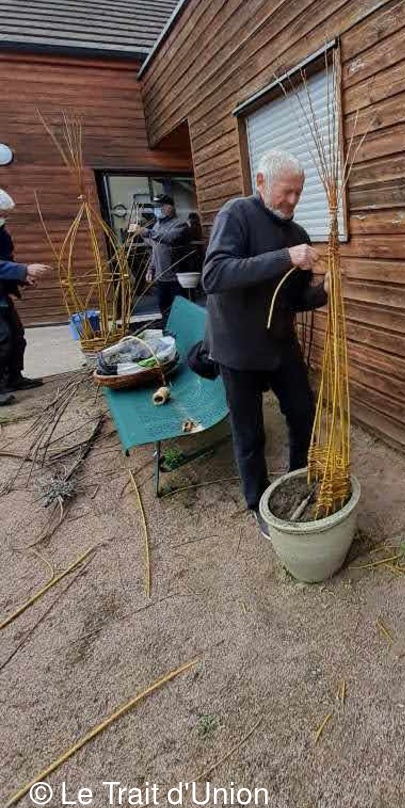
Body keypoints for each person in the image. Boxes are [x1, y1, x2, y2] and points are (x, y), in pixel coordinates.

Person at [202, 150, 329, 537]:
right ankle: (257, 502)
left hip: (279, 342)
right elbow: (214, 274)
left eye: (298, 192)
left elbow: (294, 299)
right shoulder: (237, 214)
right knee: (250, 431)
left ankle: (297, 480)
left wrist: (322, 288)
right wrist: (284, 257)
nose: (293, 200)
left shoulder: (298, 234)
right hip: (237, 344)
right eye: (286, 191)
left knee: (303, 412)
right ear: (261, 182)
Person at [0, 189, 51, 404]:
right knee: (1, 338)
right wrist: (23, 270)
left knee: (16, 335)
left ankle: (14, 377)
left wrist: (22, 278)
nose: (4, 218)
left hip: (2, 295)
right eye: (2, 213)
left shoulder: (2, 233)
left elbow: (6, 261)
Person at [129, 194, 191, 327]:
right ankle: (169, 331)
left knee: (182, 311)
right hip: (161, 278)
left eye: (161, 206)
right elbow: (155, 249)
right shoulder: (157, 225)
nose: (159, 209)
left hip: (176, 279)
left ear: (170, 207)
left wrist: (146, 232)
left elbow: (167, 238)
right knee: (165, 311)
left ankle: (185, 333)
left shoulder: (180, 224)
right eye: (157, 207)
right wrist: (150, 269)